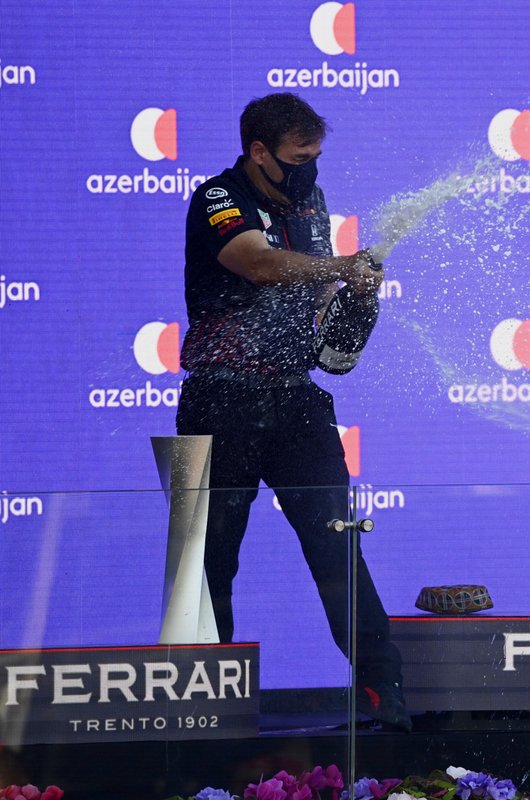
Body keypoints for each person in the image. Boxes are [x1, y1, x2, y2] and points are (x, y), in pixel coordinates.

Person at [176, 92, 409, 730]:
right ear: (258, 152)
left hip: (297, 397)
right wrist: (340, 266)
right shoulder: (217, 197)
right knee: (211, 560)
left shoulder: (310, 202)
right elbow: (257, 262)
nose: (310, 169)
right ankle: (210, 714)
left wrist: (354, 306)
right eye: (298, 158)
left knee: (339, 550)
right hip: (220, 401)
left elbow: (321, 303)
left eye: (316, 157)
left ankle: (385, 706)